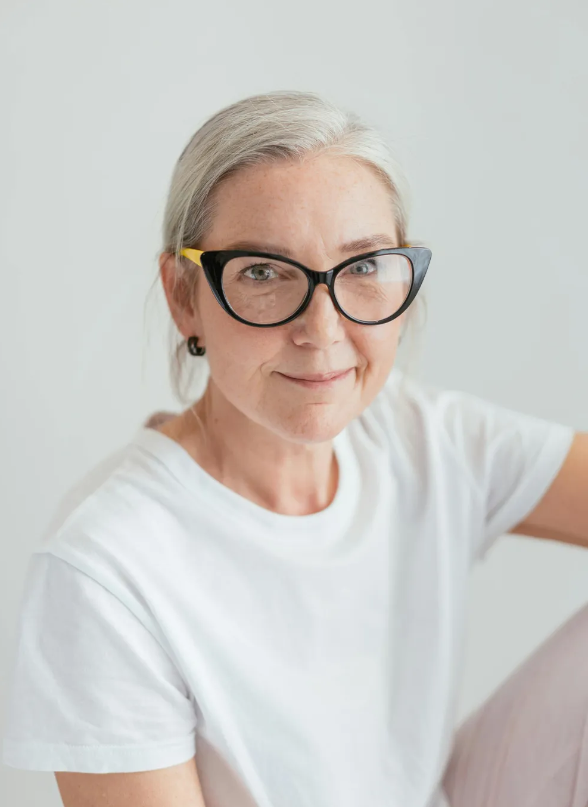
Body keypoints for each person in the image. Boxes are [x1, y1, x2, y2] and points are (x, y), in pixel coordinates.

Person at [2, 90, 586, 807]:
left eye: (364, 267)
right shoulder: (106, 570)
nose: (323, 327)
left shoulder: (419, 435)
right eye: (262, 272)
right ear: (185, 295)